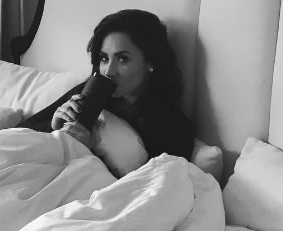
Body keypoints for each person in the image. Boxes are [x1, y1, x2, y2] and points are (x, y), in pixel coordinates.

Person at [20, 9, 194, 159]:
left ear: (150, 62)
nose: (109, 71)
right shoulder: (90, 93)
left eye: (122, 59)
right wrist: (53, 125)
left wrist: (87, 152)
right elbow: (20, 131)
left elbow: (150, 184)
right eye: (104, 58)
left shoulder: (174, 127)